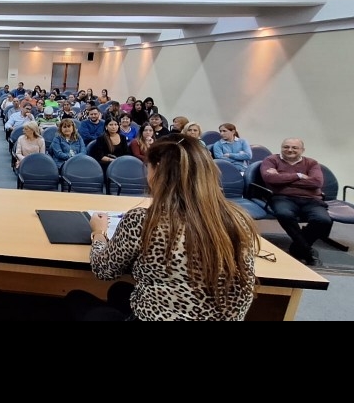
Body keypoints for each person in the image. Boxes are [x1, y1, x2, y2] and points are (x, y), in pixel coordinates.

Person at [66, 134, 259, 321]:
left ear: (157, 169)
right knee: (121, 290)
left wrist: (98, 233)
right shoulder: (239, 219)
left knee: (76, 298)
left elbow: (104, 269)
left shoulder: (145, 220)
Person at [260, 138, 331, 266]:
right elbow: (270, 179)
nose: (290, 150)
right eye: (286, 147)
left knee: (323, 220)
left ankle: (297, 247)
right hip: (283, 197)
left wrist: (281, 178)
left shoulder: (311, 163)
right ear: (281, 148)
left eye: (294, 148)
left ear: (302, 150)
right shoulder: (271, 160)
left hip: (311, 200)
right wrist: (298, 175)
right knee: (284, 214)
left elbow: (316, 182)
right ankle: (307, 250)